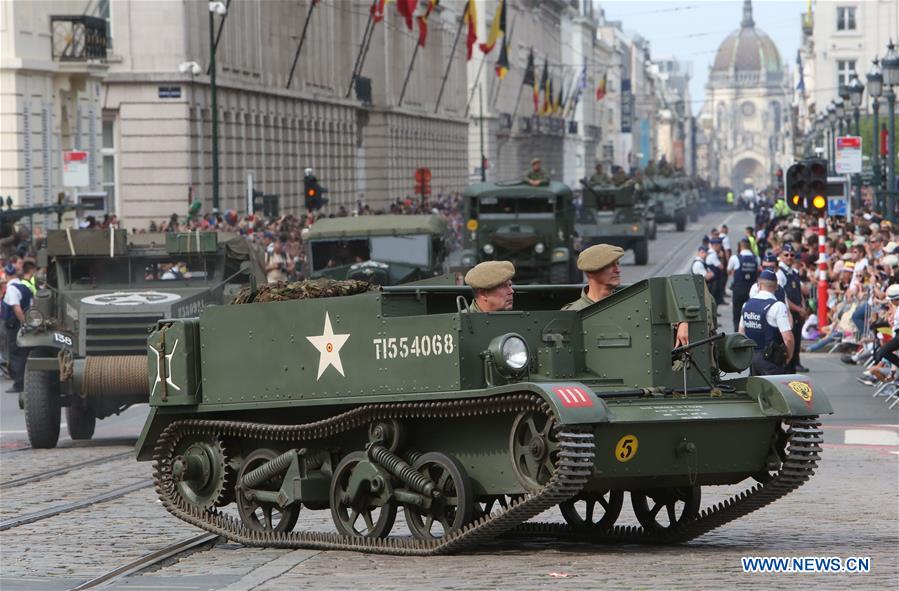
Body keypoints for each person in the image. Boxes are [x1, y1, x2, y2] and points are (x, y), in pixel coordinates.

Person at [564, 244, 689, 346]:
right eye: (609, 265)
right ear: (591, 272)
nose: (618, 270)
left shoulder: (633, 305)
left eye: (617, 264)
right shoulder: (572, 314)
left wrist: (682, 321)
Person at [739, 269, 794, 376]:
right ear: (776, 287)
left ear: (759, 285)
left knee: (755, 390)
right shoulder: (778, 306)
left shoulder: (746, 305)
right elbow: (788, 338)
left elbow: (741, 332)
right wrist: (789, 355)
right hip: (771, 359)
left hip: (752, 357)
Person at [2, 260, 35, 393]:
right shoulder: (23, 286)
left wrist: (23, 322)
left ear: (7, 275)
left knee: (16, 354)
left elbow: (17, 309)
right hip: (25, 322)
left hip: (15, 324)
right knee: (24, 353)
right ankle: (24, 381)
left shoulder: (11, 288)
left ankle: (18, 383)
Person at [778, 243, 808, 373]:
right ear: (781, 256)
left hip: (797, 312)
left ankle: (796, 363)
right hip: (789, 313)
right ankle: (789, 365)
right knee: (790, 341)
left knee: (797, 339)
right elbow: (784, 297)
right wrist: (798, 309)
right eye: (786, 255)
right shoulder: (780, 274)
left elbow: (800, 292)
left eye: (792, 255)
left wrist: (803, 306)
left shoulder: (793, 272)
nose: (789, 257)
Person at [727, 238, 759, 332]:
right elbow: (757, 271)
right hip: (752, 290)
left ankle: (737, 334)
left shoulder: (735, 258)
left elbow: (728, 270)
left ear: (740, 246)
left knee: (737, 313)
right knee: (751, 313)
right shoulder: (756, 258)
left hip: (739, 289)